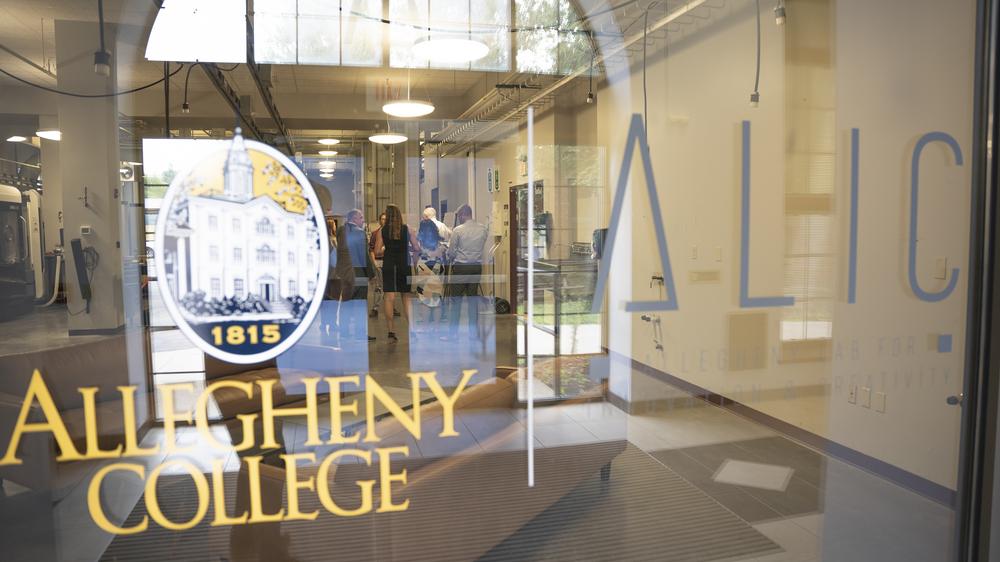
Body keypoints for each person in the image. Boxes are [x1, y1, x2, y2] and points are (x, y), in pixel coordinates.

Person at [444, 204, 488, 341]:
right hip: (476, 267)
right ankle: (473, 334)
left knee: (456, 301)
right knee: (472, 300)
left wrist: (450, 254)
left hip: (461, 268)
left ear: (463, 215)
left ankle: (453, 334)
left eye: (460, 216)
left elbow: (451, 252)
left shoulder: (458, 230)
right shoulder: (483, 229)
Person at [381, 204, 421, 343]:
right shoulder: (407, 229)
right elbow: (416, 248)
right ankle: (412, 330)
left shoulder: (383, 230)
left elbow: (378, 251)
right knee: (406, 297)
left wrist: (388, 248)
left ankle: (391, 332)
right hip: (404, 264)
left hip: (389, 264)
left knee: (389, 297)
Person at [342, 209, 374, 342]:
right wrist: (371, 274)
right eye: (361, 218)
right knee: (360, 304)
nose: (363, 220)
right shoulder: (360, 233)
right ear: (354, 219)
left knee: (346, 303)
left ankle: (344, 332)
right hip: (359, 272)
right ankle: (360, 333)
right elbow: (363, 256)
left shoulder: (341, 232)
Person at [369, 212, 386, 318]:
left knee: (390, 287)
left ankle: (391, 307)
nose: (384, 221)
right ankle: (375, 308)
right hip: (379, 262)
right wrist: (374, 261)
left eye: (386, 219)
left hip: (389, 262)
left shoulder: (392, 234)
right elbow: (371, 249)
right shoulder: (375, 233)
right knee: (378, 287)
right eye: (383, 219)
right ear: (380, 220)